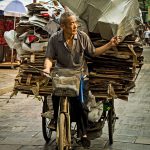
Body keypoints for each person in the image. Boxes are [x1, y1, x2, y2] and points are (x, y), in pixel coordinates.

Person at [43, 11, 119, 148]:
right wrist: (47, 69)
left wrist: (110, 44)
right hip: (61, 74)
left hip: (80, 74)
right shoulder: (54, 39)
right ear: (63, 26)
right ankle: (56, 119)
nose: (75, 26)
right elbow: (49, 57)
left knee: (81, 103)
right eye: (71, 23)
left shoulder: (82, 37)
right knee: (55, 97)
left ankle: (83, 132)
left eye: (75, 23)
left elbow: (94, 52)